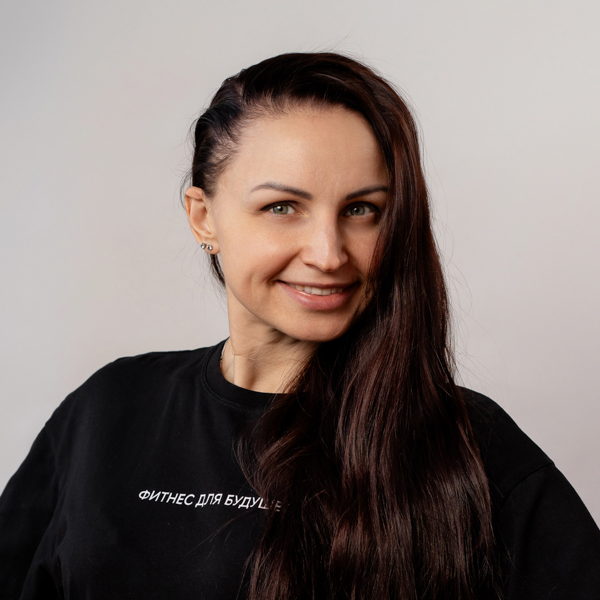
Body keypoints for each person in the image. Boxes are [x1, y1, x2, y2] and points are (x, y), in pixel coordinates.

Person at [1, 52, 599, 600]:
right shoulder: (108, 410)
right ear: (203, 217)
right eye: (282, 207)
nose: (328, 253)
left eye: (362, 210)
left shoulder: (469, 447)